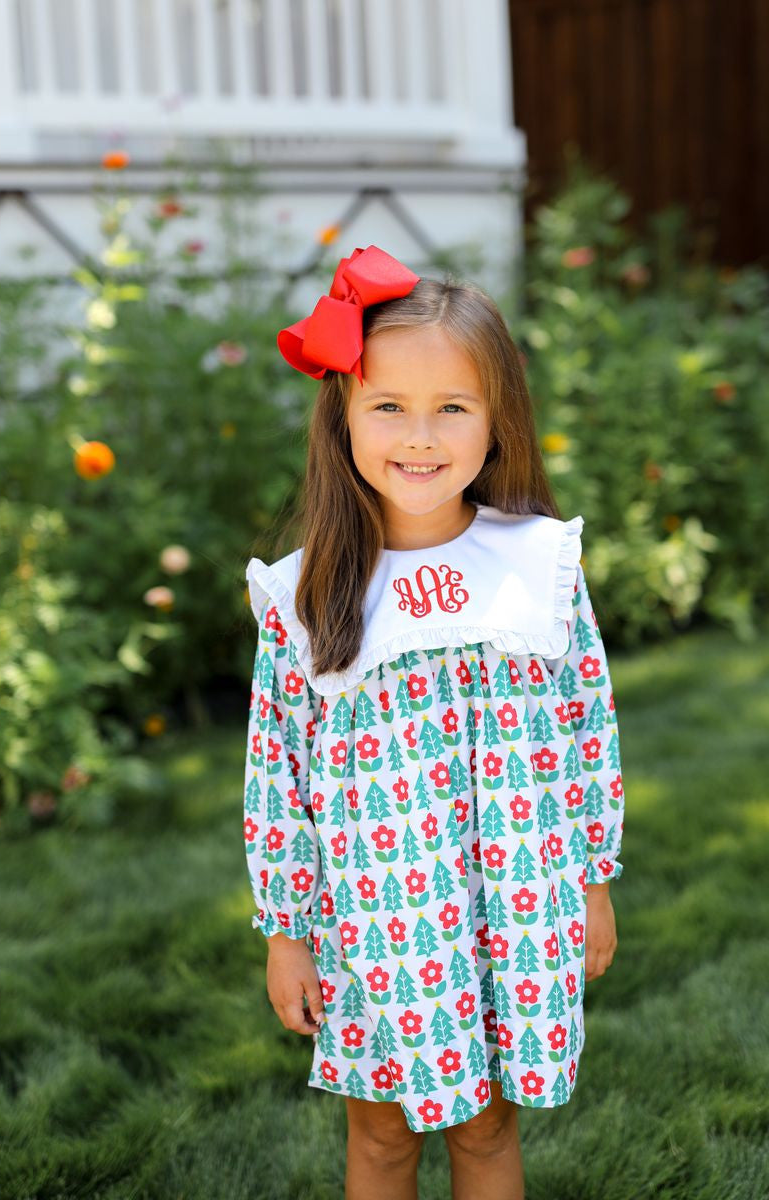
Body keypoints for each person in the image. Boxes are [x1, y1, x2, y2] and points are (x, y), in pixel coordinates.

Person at [242, 245, 625, 1200]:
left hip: (513, 901)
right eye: (388, 407)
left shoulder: (537, 570)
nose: (421, 436)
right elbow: (275, 776)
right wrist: (288, 930)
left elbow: (587, 730)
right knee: (379, 1138)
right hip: (379, 924)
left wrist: (590, 882)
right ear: (343, 417)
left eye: (452, 407)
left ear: (498, 422)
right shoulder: (311, 593)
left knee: (489, 1131)